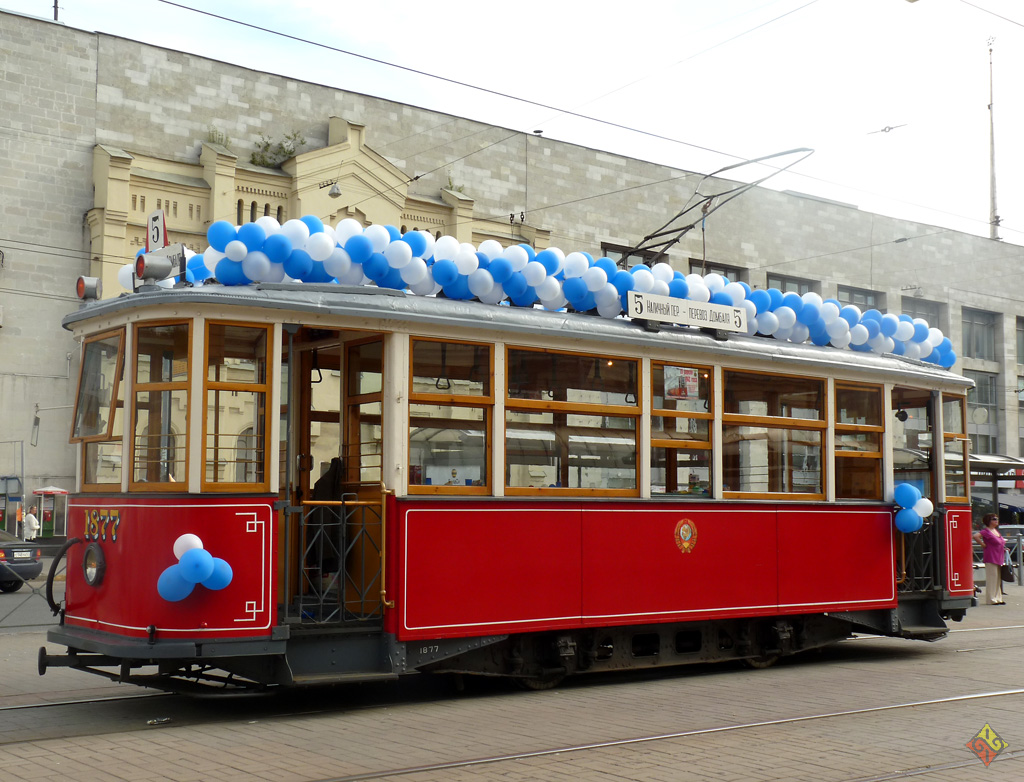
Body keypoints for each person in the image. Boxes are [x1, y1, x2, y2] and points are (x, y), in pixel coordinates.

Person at [973, 514, 1006, 605]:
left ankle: (998, 597)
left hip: (999, 556)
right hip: (991, 556)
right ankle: (991, 599)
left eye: (997, 519)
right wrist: (983, 544)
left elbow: (1000, 542)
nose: (996, 520)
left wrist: (1004, 549)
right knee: (992, 578)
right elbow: (976, 536)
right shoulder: (986, 531)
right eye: (994, 519)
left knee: (998, 578)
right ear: (989, 521)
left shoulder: (995, 531)